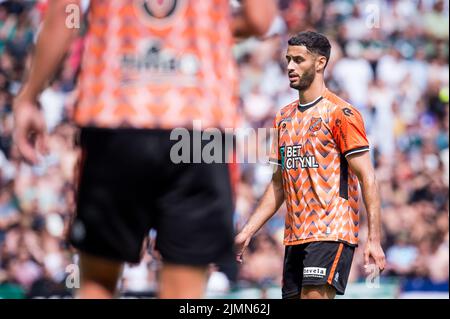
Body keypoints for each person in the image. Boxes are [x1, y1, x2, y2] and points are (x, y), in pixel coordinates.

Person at [13, 0, 276, 299]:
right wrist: (207, 31)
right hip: (199, 126)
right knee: (184, 294)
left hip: (117, 114)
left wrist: (29, 95)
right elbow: (260, 19)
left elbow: (64, 12)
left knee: (96, 283)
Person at [235, 31, 386, 299]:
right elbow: (278, 185)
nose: (290, 67)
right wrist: (247, 231)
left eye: (299, 60)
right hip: (295, 236)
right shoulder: (283, 117)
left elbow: (368, 178)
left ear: (320, 63)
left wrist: (373, 239)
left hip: (331, 229)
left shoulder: (341, 113)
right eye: (288, 60)